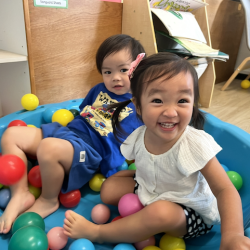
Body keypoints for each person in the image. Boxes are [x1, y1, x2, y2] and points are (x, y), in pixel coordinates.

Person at [63, 52, 250, 250]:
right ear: (138, 106)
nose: (170, 112)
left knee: (160, 213)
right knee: (108, 189)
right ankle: (144, 210)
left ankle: (98, 233)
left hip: (188, 212)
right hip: (150, 191)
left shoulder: (194, 144)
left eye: (182, 101)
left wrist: (233, 235)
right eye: (158, 101)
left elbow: (225, 189)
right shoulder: (139, 134)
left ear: (193, 103)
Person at [0, 34, 145, 234]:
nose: (115, 77)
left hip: (89, 151)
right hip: (67, 133)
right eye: (107, 71)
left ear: (138, 68)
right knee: (12, 134)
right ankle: (20, 193)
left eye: (123, 70)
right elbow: (83, 113)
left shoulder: (141, 106)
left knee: (48, 149)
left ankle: (48, 200)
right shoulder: (99, 89)